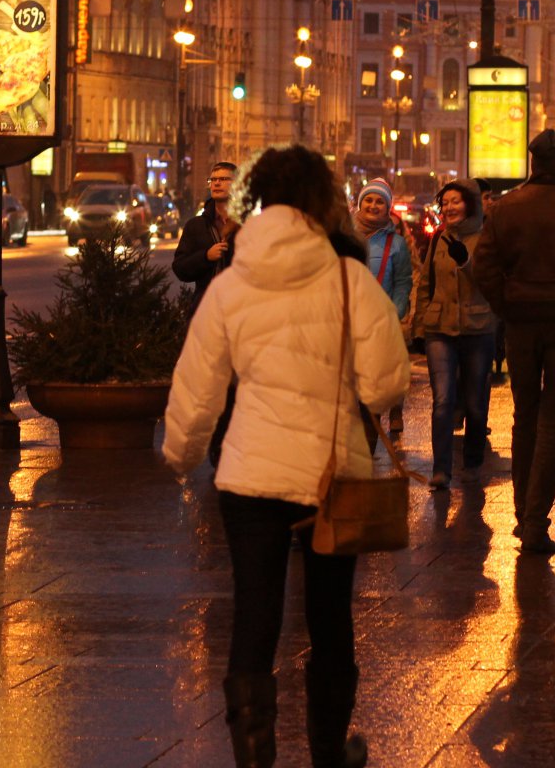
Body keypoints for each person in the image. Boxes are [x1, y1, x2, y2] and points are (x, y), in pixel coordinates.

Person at [164, 146, 410, 768]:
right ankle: (329, 752)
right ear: (323, 201)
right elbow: (384, 386)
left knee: (254, 615)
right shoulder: (350, 277)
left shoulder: (232, 282)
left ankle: (254, 758)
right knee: (329, 620)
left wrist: (181, 453)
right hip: (333, 475)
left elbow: (198, 387)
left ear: (255, 200)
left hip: (249, 474)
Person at [472, 129, 555, 556]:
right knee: (553, 422)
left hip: (521, 324)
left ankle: (520, 512)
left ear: (533, 163)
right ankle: (535, 521)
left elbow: (484, 266)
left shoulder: (507, 207)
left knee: (524, 416)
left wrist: (507, 304)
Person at [411, 180, 495, 489]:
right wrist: (419, 327)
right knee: (443, 400)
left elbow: (490, 283)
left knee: (474, 403)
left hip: (477, 328)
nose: (449, 207)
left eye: (455, 201)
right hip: (439, 329)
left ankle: (472, 462)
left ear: (470, 204)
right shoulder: (438, 240)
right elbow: (425, 285)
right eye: (445, 202)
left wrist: (466, 262)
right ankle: (441, 469)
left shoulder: (485, 239)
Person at [353, 179, 412, 437]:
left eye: (380, 201)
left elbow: (402, 284)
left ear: (387, 208)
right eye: (369, 200)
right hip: (344, 325)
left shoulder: (396, 244)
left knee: (369, 397)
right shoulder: (342, 236)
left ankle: (365, 460)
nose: (373, 205)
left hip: (377, 327)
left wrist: (393, 315)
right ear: (360, 203)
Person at [172, 162, 240, 309]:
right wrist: (206, 257)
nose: (216, 183)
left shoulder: (248, 224)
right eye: (213, 180)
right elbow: (180, 268)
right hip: (207, 309)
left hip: (242, 308)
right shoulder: (196, 225)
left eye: (223, 179)